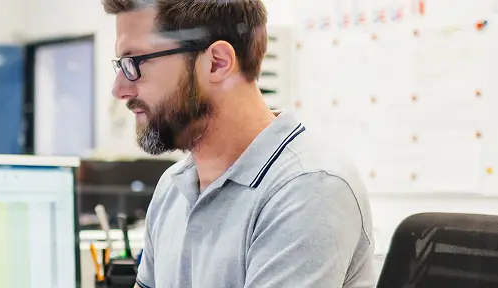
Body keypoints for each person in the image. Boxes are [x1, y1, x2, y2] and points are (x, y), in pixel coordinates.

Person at [101, 0, 376, 287]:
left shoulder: (308, 188)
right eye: (121, 65)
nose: (119, 89)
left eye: (135, 63)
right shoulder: (172, 188)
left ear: (217, 63)